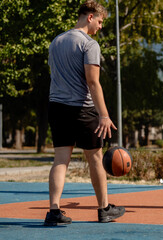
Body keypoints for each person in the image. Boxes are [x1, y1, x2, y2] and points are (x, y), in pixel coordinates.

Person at [44, 0, 125, 226]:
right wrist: (104, 115)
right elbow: (93, 82)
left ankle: (53, 212)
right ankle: (104, 209)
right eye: (99, 22)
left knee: (60, 160)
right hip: (82, 109)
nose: (100, 27)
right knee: (95, 158)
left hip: (57, 107)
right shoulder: (89, 44)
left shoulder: (56, 41)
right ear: (90, 17)